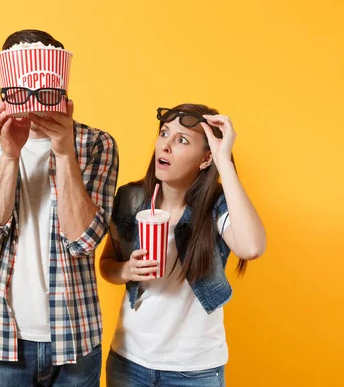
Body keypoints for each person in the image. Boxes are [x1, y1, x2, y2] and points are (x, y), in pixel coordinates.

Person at [0, 29, 119, 386]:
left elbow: (85, 242)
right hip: (3, 335)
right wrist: (10, 154)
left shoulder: (96, 143)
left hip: (75, 334)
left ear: (62, 86)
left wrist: (64, 152)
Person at [100, 103, 266, 387]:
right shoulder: (130, 199)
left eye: (182, 140)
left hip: (195, 370)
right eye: (164, 133)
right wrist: (127, 270)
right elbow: (107, 266)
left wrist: (223, 162)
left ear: (205, 159)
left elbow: (251, 248)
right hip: (129, 362)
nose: (165, 146)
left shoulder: (215, 208)